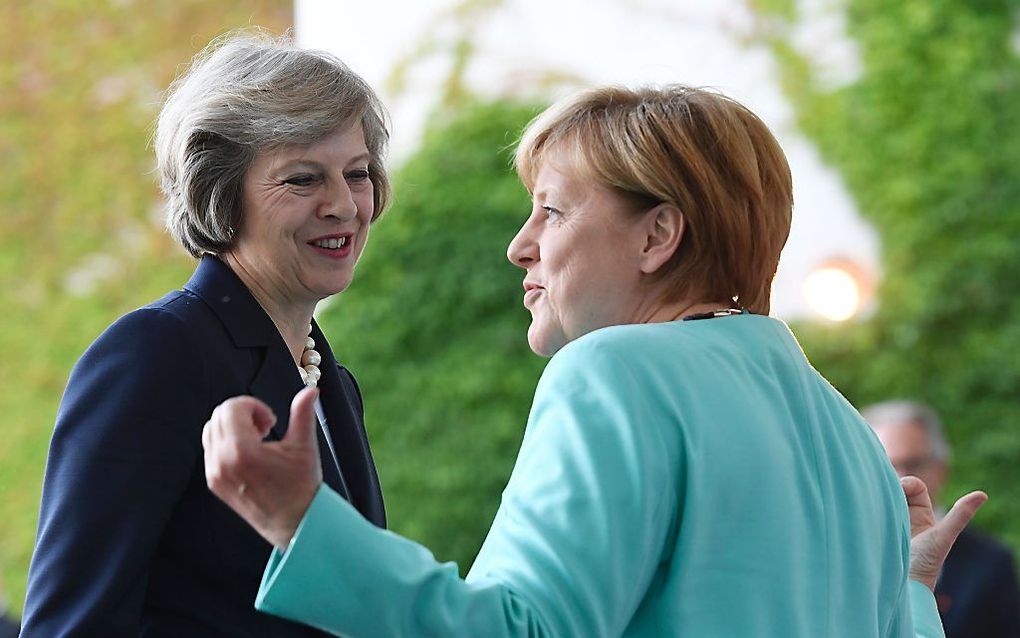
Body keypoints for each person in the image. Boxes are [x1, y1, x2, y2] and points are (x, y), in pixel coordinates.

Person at [203, 85, 984, 636]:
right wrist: (912, 589)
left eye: (551, 208)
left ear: (657, 236)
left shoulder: (615, 372)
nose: (521, 245)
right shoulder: (848, 432)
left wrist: (302, 523)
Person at [21, 31, 390, 636]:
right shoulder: (154, 355)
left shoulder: (332, 380)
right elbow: (72, 625)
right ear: (219, 192)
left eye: (356, 173)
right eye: (302, 179)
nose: (344, 205)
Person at [863, 400, 1020, 638]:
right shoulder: (840, 555)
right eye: (888, 465)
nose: (903, 479)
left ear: (941, 468)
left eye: (913, 463)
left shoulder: (990, 562)